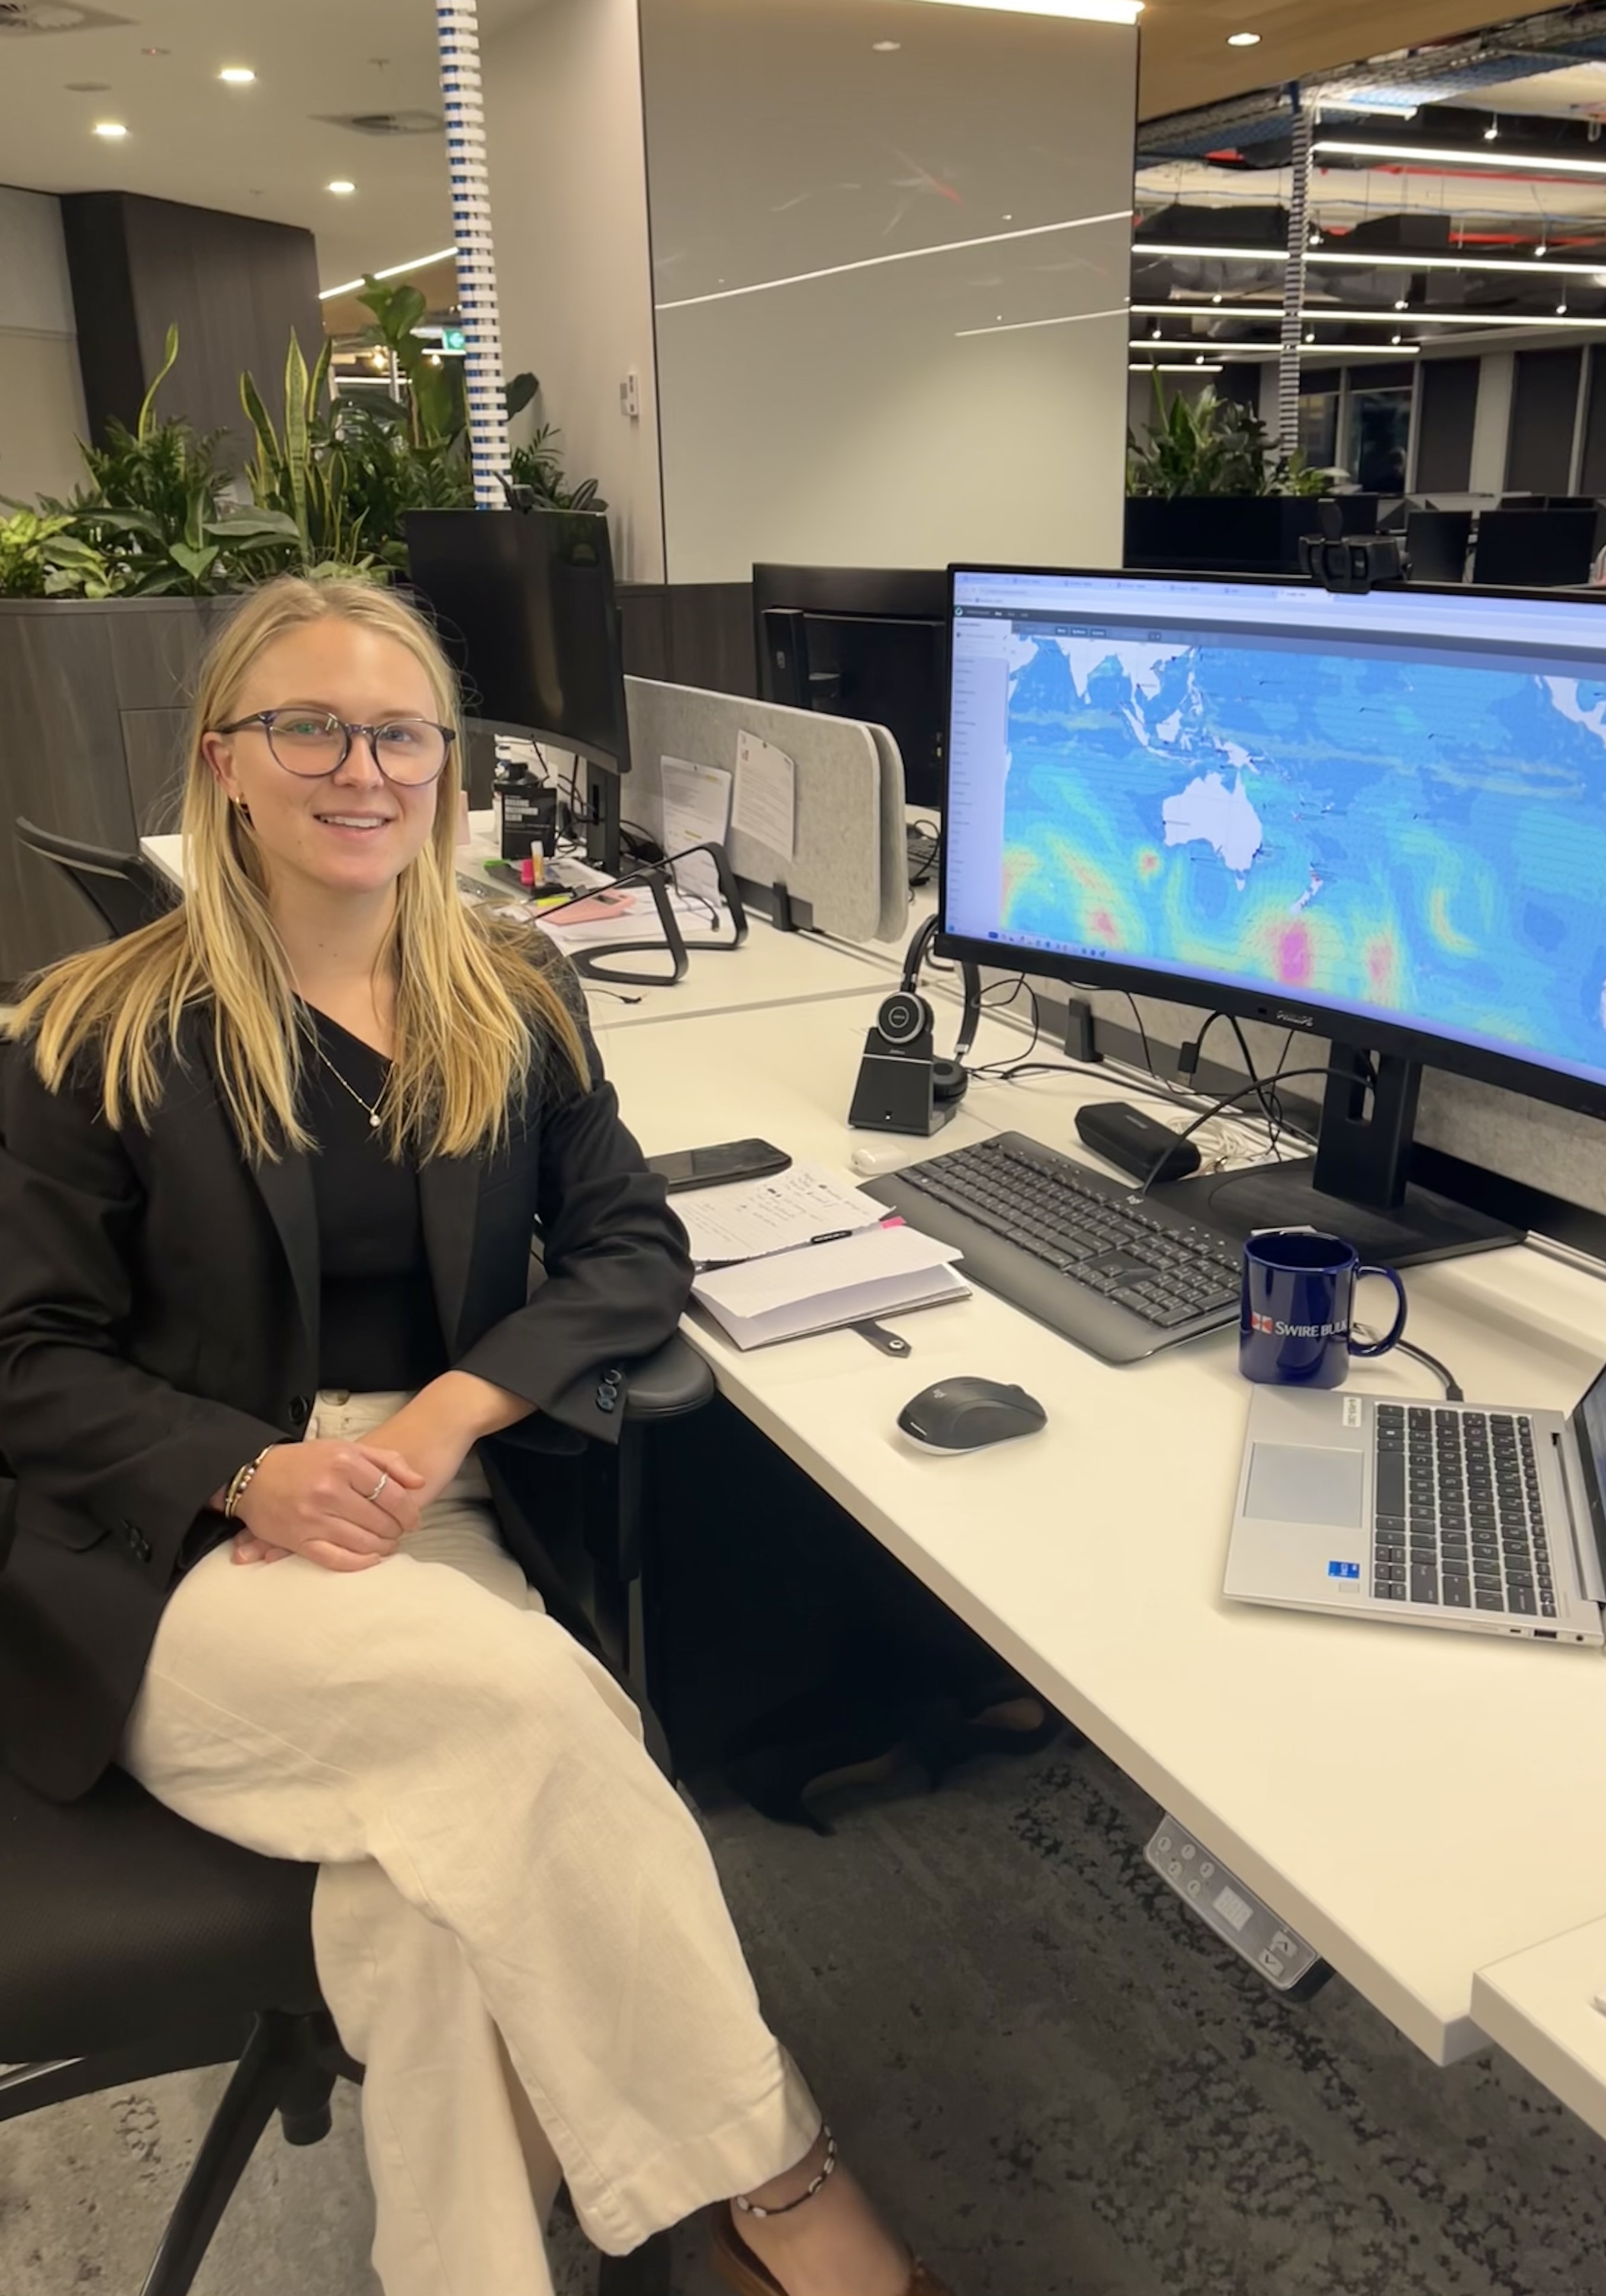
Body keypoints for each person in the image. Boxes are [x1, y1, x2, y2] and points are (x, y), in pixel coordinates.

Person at [0, 575, 949, 2296]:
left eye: (402, 733)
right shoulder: (95, 1032)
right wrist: (243, 1467)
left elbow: (633, 1247)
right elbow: (23, 1359)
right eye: (308, 726)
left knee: (430, 1911)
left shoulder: (505, 995)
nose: (360, 769)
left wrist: (449, 1411)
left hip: (426, 1506)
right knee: (531, 1711)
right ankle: (785, 2180)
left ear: (446, 764)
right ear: (224, 759)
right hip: (176, 1561)